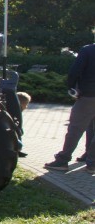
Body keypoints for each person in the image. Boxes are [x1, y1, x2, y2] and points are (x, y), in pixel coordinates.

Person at [44, 43, 95, 173]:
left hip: (88, 95)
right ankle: (92, 162)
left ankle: (63, 160)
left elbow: (75, 71)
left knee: (75, 129)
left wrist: (71, 88)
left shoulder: (88, 50)